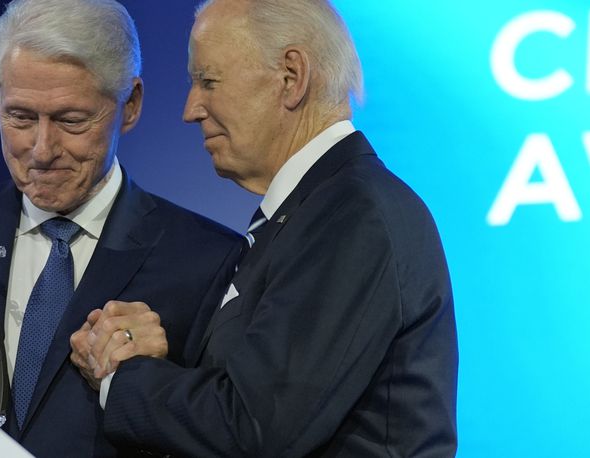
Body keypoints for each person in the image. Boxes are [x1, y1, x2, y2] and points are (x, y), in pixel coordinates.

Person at [0, 1, 241, 456]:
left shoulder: (207, 262)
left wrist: (152, 378)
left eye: (71, 120)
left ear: (129, 106)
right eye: (20, 117)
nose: (41, 148)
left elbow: (225, 435)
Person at [70, 0, 459, 456]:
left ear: (291, 77)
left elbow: (255, 427)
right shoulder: (311, 212)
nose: (190, 109)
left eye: (208, 81)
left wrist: (121, 373)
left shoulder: (352, 216)